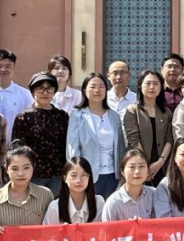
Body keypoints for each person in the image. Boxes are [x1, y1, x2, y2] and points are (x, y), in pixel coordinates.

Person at [67, 72, 126, 200]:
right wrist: (77, 173)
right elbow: (73, 149)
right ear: (84, 91)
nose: (97, 90)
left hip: (113, 174)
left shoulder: (114, 116)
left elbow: (120, 146)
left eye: (101, 86)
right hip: (88, 174)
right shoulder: (77, 116)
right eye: (93, 86)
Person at [11, 72, 70, 196]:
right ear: (33, 91)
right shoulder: (24, 117)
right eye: (40, 88)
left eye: (49, 88)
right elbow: (17, 148)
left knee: (55, 207)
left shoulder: (62, 116)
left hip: (57, 175)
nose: (45, 92)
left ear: (54, 91)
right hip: (33, 175)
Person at [123, 69, 174, 186]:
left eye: (156, 83)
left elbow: (169, 139)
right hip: (139, 166)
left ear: (161, 87)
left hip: (162, 166)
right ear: (140, 86)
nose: (152, 87)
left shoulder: (166, 112)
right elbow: (133, 139)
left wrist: (160, 162)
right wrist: (145, 164)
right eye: (148, 83)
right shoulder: (132, 110)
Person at [43, 157, 104, 226]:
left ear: (89, 178)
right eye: (74, 175)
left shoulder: (98, 202)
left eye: (83, 175)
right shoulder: (55, 207)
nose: (78, 180)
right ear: (65, 178)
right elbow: (47, 232)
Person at [0, 49, 32, 143]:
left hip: (16, 147)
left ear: (13, 68)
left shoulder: (25, 95)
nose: (3, 70)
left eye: (8, 66)